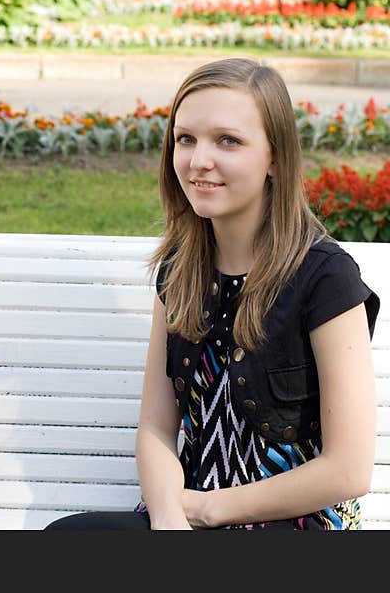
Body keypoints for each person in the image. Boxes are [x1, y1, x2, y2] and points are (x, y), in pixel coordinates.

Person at [46, 57, 380, 530]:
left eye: (228, 140)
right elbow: (156, 430)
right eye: (186, 139)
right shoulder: (180, 272)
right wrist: (166, 519)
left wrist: (207, 510)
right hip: (183, 517)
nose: (199, 160)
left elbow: (348, 469)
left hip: (297, 523)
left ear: (275, 158)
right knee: (68, 537)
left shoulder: (326, 279)